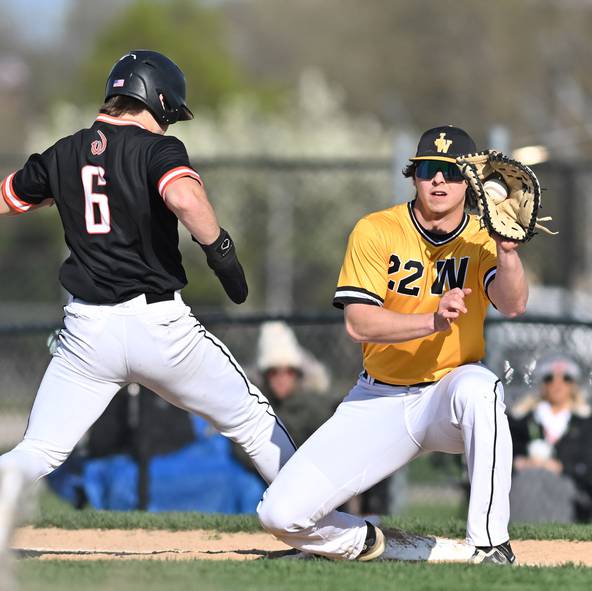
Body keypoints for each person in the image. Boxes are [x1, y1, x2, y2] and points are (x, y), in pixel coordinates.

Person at [0, 51, 365, 551]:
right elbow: (185, 199)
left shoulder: (63, 152)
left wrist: (62, 192)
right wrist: (222, 252)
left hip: (87, 333)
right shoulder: (158, 149)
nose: (167, 121)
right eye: (168, 111)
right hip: (159, 327)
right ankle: (320, 526)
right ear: (157, 99)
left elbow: (10, 196)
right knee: (253, 422)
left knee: (39, 448)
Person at [257, 125, 530, 564]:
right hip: (379, 397)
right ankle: (387, 545)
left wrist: (509, 253)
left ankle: (490, 543)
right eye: (428, 170)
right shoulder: (376, 230)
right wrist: (433, 320)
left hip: (446, 397)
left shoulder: (482, 237)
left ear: (469, 185)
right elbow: (359, 324)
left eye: (451, 172)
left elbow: (513, 303)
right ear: (414, 176)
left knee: (482, 386)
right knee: (279, 515)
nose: (439, 180)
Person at [508, 352, 592, 523]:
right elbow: (506, 451)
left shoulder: (587, 420)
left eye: (566, 378)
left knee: (549, 484)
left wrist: (562, 467)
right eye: (549, 378)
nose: (557, 384)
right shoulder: (523, 417)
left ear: (574, 383)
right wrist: (519, 462)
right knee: (528, 481)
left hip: (568, 486)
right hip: (525, 480)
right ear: (542, 383)